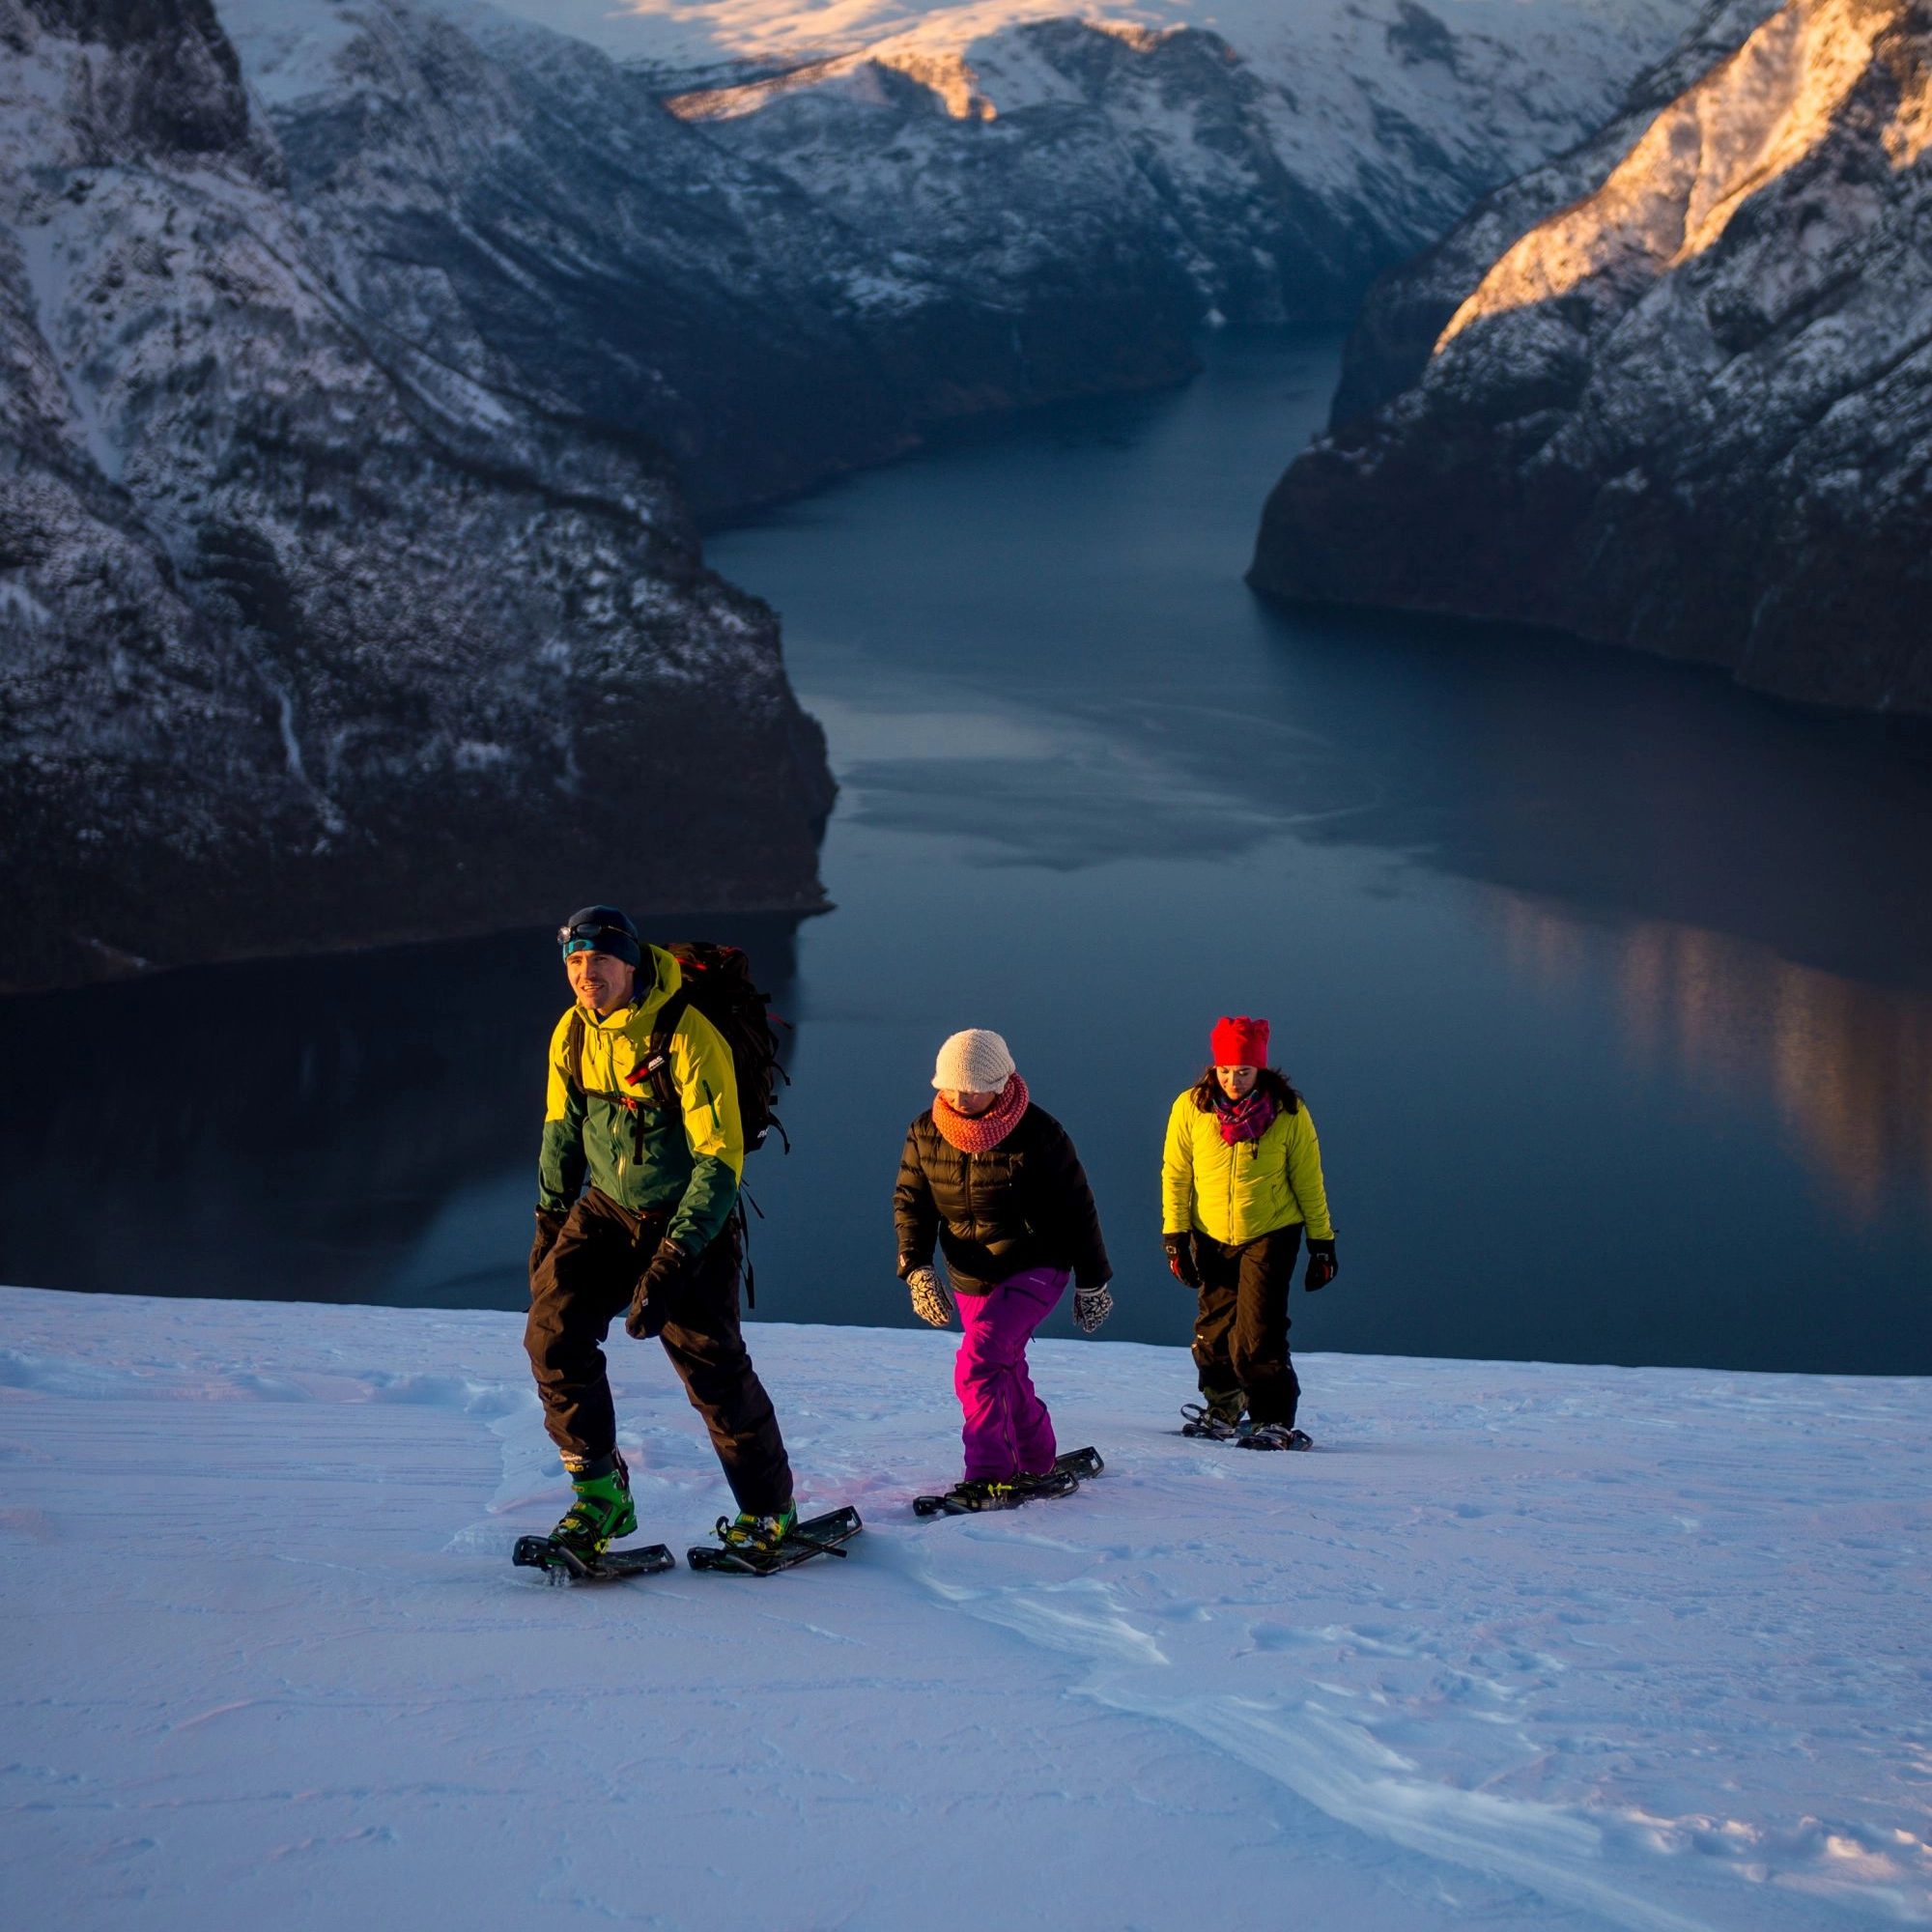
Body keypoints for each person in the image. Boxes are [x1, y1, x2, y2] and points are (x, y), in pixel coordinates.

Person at [525, 906, 796, 1557]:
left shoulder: (685, 1032)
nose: (586, 974)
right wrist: (551, 1220)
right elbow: (562, 1131)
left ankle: (768, 1513)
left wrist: (675, 1258)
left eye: (599, 961)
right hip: (607, 1212)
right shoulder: (573, 1033)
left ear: (629, 962)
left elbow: (720, 1156)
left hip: (687, 1220)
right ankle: (601, 1498)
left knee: (713, 1372)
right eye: (575, 962)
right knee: (552, 1338)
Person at [895, 1029, 1114, 1505]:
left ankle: (991, 1473)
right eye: (949, 1087)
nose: (958, 1097)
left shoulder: (1040, 1132)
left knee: (978, 1363)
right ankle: (1036, 1460)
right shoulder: (925, 1130)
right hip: (971, 1273)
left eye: (970, 1088)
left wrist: (1093, 1281)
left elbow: (1078, 1207)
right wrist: (917, 1268)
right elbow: (912, 1203)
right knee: (1003, 1365)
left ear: (999, 1082)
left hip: (1036, 1263)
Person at [1160, 1015, 1337, 1449]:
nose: (1233, 1080)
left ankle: (1273, 1419)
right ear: (1213, 1069)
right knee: (1214, 1327)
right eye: (1225, 1070)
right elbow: (1177, 1173)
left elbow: (1309, 1180)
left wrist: (1322, 1244)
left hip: (1271, 1231)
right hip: (1210, 1233)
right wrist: (1175, 1236)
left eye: (1243, 1071)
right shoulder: (1192, 1108)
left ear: (1260, 1069)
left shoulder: (1288, 1113)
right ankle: (1222, 1407)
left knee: (1258, 1332)